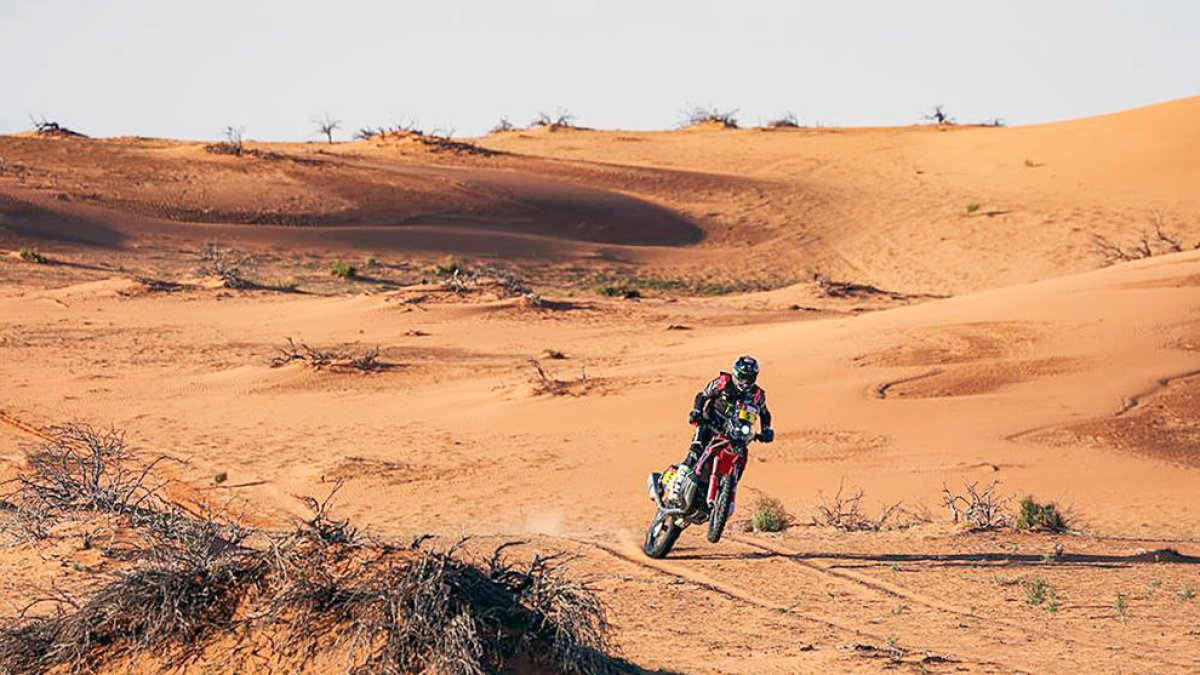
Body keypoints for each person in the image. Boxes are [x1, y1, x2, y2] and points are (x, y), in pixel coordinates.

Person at [682, 355, 774, 470]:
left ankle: (731, 483)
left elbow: (764, 413)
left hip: (736, 435)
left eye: (749, 377)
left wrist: (766, 430)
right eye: (743, 376)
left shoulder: (757, 395)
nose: (745, 381)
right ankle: (679, 480)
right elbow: (702, 396)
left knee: (741, 459)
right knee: (694, 454)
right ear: (735, 373)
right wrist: (696, 411)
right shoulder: (723, 382)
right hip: (711, 425)